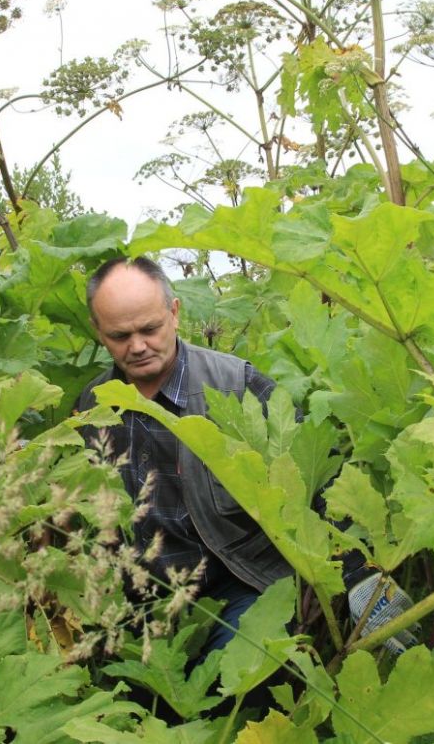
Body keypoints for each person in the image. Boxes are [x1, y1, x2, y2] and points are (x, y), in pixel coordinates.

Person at [74, 256, 293, 654]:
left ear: (174, 313)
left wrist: (358, 578)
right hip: (137, 601)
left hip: (234, 584)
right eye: (120, 336)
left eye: (150, 329)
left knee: (238, 671)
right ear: (98, 332)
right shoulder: (92, 405)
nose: (138, 347)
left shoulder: (236, 385)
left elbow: (311, 484)